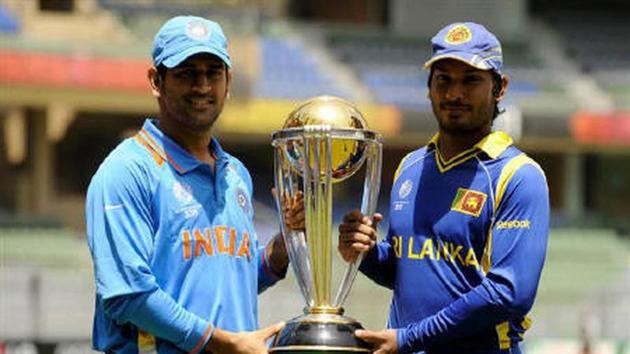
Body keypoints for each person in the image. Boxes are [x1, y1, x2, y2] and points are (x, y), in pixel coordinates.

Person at [85, 15, 304, 354]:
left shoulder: (236, 175)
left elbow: (227, 282)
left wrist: (279, 250)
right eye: (186, 73)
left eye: (212, 73)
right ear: (156, 80)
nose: (202, 86)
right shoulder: (128, 170)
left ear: (228, 81)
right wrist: (224, 343)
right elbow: (129, 295)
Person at [338, 22, 549, 354]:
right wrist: (365, 253)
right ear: (429, 86)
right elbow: (406, 272)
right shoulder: (410, 168)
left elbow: (509, 293)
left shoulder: (518, 176)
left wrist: (409, 339)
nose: (454, 94)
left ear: (500, 87)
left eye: (471, 80)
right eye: (444, 80)